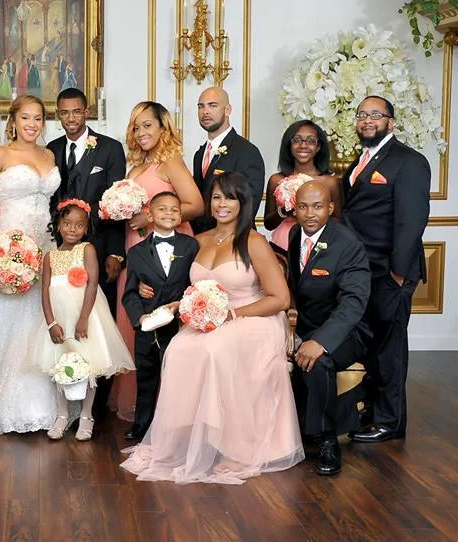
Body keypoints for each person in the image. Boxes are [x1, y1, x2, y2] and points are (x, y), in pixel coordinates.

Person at [121, 172, 303, 485]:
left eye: (229, 197)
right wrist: (159, 296)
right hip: (208, 319)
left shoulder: (254, 243)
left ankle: (234, 444)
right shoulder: (198, 241)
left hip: (252, 319)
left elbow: (280, 298)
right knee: (178, 350)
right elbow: (176, 282)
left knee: (213, 350)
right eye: (217, 197)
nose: (221, 204)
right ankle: (191, 437)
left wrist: (233, 314)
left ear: (242, 202)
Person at [342, 95, 430, 444]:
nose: (367, 120)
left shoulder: (408, 161)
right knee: (372, 346)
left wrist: (397, 273)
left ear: (391, 122)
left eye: (375, 115)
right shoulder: (360, 160)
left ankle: (390, 422)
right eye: (362, 115)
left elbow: (412, 221)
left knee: (390, 349)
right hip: (362, 269)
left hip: (390, 271)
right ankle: (371, 414)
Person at [112, 101, 204, 422]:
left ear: (163, 127)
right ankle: (144, 406)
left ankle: (172, 407)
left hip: (166, 246)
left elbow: (194, 204)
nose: (141, 132)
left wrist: (151, 219)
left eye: (148, 125)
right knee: (137, 313)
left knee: (166, 319)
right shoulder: (135, 167)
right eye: (136, 127)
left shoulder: (171, 162)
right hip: (136, 248)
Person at [0, 95, 61, 433]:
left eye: (38, 118)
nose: (32, 124)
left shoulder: (49, 154)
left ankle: (48, 405)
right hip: (9, 248)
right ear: (13, 120)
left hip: (44, 246)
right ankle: (1, 402)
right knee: (10, 321)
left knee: (44, 318)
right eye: (26, 118)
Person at [47, 88, 127, 418]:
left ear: (87, 111)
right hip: (61, 250)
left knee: (95, 323)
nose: (70, 119)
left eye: (76, 112)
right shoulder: (51, 150)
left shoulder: (109, 149)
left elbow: (119, 205)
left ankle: (96, 408)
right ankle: (69, 401)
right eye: (64, 113)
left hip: (100, 249)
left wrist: (117, 254)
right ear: (58, 115)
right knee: (65, 321)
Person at [288, 181, 371, 475]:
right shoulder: (296, 234)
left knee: (318, 361)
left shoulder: (348, 244)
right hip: (308, 325)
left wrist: (320, 341)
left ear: (331, 208)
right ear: (294, 208)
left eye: (318, 206)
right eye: (303, 206)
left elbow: (353, 304)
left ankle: (327, 440)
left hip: (349, 331)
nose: (310, 214)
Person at [35, 199, 135, 441]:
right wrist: (50, 322)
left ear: (85, 228)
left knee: (88, 363)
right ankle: (62, 415)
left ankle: (86, 416)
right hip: (58, 317)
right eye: (67, 224)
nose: (72, 229)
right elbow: (45, 291)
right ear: (58, 225)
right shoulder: (49, 256)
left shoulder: (87, 249)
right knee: (59, 363)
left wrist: (83, 319)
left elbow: (92, 285)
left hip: (85, 315)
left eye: (79, 225)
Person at [120, 192, 199, 441]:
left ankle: (176, 426)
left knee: (178, 376)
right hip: (148, 326)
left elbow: (197, 283)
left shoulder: (191, 246)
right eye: (162, 209)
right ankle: (142, 424)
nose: (169, 214)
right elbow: (130, 293)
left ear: (180, 215)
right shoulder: (136, 252)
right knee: (146, 376)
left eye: (174, 210)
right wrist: (141, 319)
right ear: (150, 216)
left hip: (180, 325)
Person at [191, 87, 265, 233]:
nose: (205, 111)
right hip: (203, 241)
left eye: (212, 105)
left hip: (235, 240)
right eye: (201, 106)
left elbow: (249, 204)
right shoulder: (199, 154)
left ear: (227, 110)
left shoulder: (247, 151)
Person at [263, 120, 342, 252]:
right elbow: (268, 224)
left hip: (318, 244)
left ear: (318, 147)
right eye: (297, 140)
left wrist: (312, 214)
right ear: (289, 145)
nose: (303, 145)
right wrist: (285, 210)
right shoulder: (276, 180)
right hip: (283, 243)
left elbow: (339, 221)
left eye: (310, 141)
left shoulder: (329, 182)